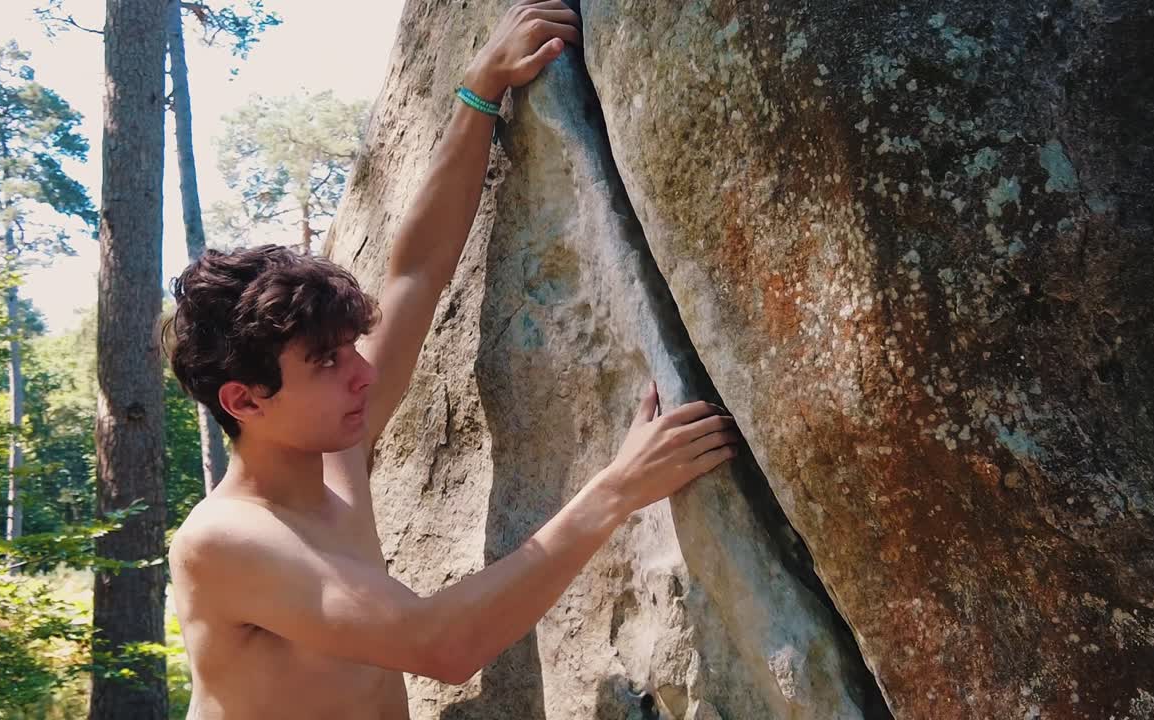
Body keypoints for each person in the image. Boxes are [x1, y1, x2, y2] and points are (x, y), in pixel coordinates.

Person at [165, 2, 741, 718]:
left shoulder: (330, 450)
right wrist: (617, 489)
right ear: (245, 401)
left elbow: (418, 272)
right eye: (326, 362)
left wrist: (478, 93)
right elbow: (439, 644)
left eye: (350, 348)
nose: (364, 373)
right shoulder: (224, 541)